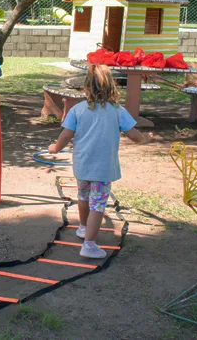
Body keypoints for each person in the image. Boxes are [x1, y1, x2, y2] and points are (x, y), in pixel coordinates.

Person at [48, 64, 151, 259]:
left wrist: (54, 148)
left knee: (83, 196)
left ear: (86, 87)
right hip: (102, 169)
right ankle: (89, 244)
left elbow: (65, 135)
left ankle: (84, 227)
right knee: (98, 205)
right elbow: (135, 136)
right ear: (110, 87)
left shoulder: (77, 109)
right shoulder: (117, 110)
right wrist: (146, 139)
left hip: (83, 165)